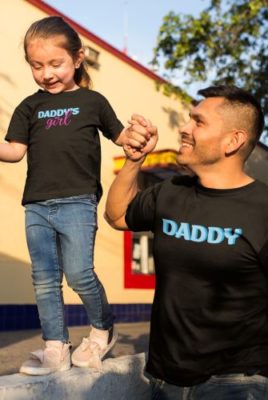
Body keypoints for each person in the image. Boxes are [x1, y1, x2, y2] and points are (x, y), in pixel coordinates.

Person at [105, 86, 268, 399]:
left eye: (198, 122)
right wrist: (134, 160)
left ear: (233, 141)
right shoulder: (171, 192)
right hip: (164, 381)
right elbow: (116, 216)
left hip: (236, 383)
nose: (184, 128)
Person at [0, 16, 149, 376]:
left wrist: (137, 135)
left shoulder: (92, 101)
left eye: (55, 64)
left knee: (81, 273)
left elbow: (121, 138)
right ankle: (56, 346)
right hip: (36, 206)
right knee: (45, 279)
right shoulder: (28, 107)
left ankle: (103, 327)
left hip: (78, 202)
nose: (46, 73)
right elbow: (14, 151)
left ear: (78, 58)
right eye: (37, 66)